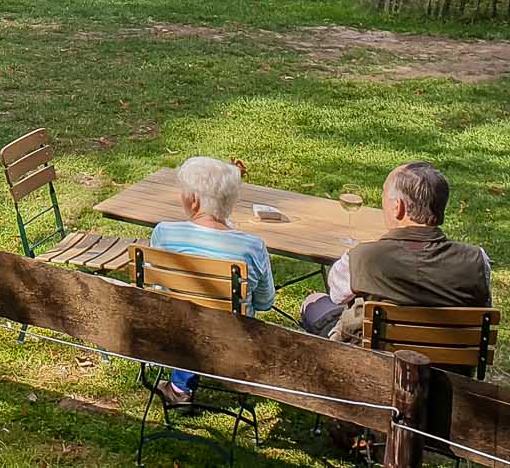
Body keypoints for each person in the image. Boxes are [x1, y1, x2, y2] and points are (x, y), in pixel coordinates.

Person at [300, 162, 491, 344]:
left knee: (314, 302)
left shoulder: (363, 258)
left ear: (398, 207)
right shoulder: (477, 260)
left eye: (384, 194)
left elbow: (336, 296)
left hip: (374, 360)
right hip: (450, 362)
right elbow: (483, 306)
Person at [148, 157, 276, 406]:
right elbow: (265, 302)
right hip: (231, 336)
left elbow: (159, 290)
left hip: (176, 331)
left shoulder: (163, 233)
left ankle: (179, 386)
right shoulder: (252, 247)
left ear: (193, 200)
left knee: (190, 315)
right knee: (207, 319)